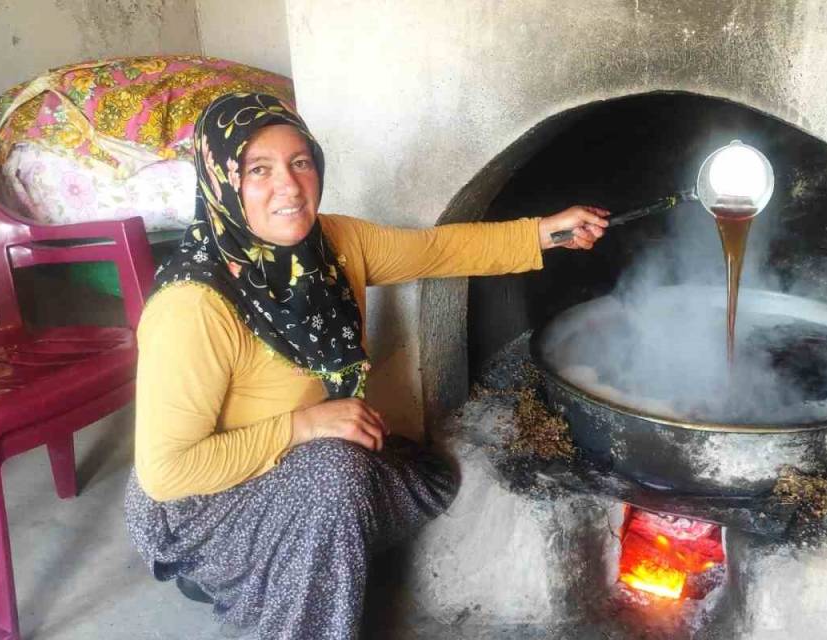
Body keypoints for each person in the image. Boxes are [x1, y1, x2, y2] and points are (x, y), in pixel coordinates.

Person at [123, 92, 608, 639]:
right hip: (197, 511)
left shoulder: (331, 243)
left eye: (300, 162)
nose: (289, 185)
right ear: (219, 180)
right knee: (338, 475)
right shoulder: (193, 307)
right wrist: (305, 426)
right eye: (258, 169)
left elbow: (435, 251)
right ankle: (237, 580)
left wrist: (547, 231)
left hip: (294, 465)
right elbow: (168, 474)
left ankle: (267, 567)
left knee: (421, 479)